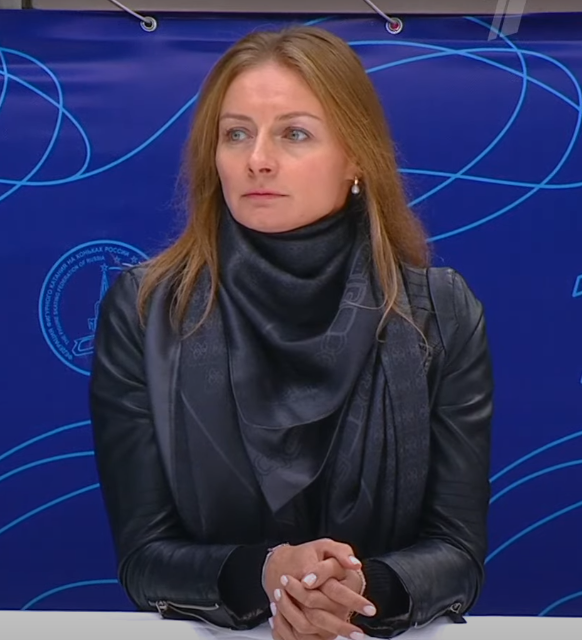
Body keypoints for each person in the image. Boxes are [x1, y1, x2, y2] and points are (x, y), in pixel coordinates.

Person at [89, 25, 493, 640]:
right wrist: (269, 575)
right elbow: (145, 556)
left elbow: (457, 553)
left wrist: (356, 591)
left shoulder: (441, 312)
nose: (257, 159)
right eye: (236, 133)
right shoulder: (144, 312)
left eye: (294, 134)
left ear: (356, 158)